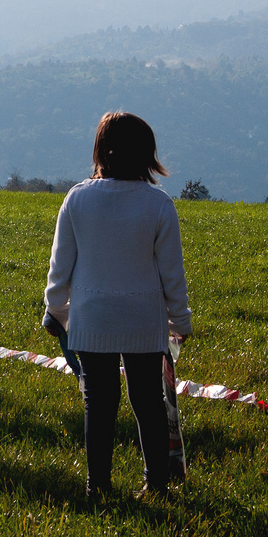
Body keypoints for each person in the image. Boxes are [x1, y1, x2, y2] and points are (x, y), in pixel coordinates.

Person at [44, 111, 191, 498]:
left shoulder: (77, 199)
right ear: (147, 155)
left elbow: (60, 266)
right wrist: (181, 321)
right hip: (144, 320)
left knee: (99, 402)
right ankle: (156, 482)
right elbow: (172, 276)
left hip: (91, 318)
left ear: (101, 152)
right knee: (147, 401)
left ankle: (99, 485)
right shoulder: (159, 205)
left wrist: (56, 309)